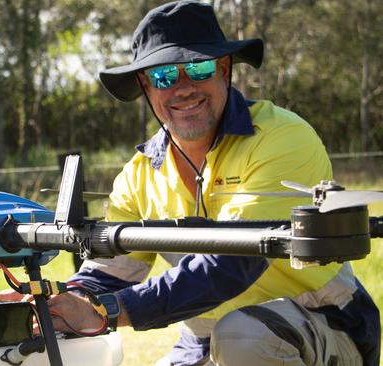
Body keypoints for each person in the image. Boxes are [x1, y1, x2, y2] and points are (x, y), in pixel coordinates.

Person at [32, 1, 380, 366]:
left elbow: (234, 263)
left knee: (243, 337)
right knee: (233, 337)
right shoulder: (138, 174)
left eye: (198, 68)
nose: (183, 88)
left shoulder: (282, 137)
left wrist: (106, 311)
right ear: (145, 87)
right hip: (204, 343)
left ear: (224, 69)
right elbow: (110, 272)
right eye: (164, 76)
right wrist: (52, 300)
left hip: (324, 327)